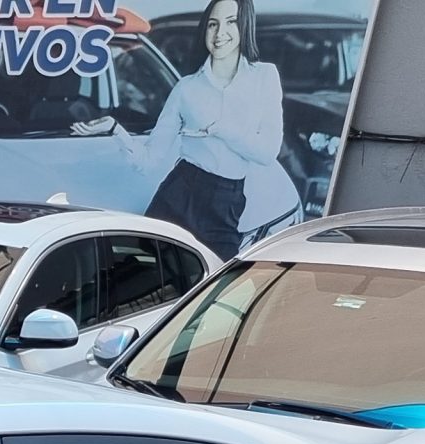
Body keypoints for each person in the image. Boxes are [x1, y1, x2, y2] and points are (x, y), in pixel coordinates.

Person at [78, 0, 285, 260]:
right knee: (144, 275)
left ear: (245, 24)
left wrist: (222, 129)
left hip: (227, 201)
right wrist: (116, 130)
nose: (220, 34)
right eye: (213, 24)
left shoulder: (264, 77)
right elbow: (150, 160)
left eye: (231, 21)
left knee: (219, 280)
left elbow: (268, 152)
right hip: (180, 192)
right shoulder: (187, 89)